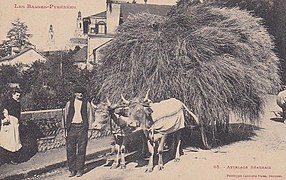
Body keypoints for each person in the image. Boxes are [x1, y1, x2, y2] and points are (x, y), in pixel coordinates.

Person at [63, 86, 94, 177]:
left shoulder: (86, 104)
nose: (80, 94)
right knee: (70, 150)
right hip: (71, 128)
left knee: (81, 150)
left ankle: (80, 169)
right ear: (75, 93)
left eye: (81, 92)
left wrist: (90, 130)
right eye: (78, 92)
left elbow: (90, 117)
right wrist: (65, 130)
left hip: (82, 128)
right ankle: (72, 170)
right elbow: (65, 116)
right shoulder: (69, 103)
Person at [1, 88, 22, 164]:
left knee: (15, 140)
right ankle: (9, 159)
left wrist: (18, 122)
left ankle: (13, 159)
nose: (18, 97)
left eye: (19, 95)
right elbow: (3, 110)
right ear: (13, 94)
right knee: (8, 141)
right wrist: (5, 118)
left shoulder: (18, 104)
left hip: (15, 123)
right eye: (16, 95)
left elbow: (18, 114)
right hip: (9, 122)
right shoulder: (8, 102)